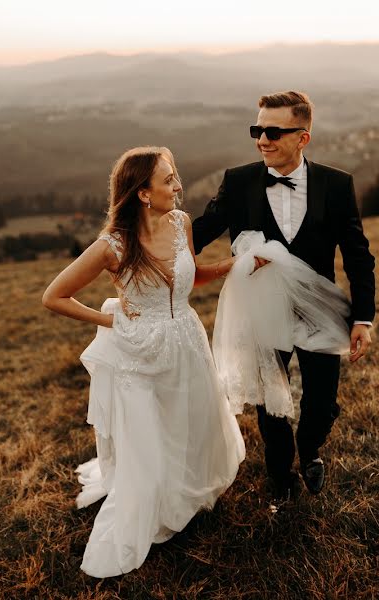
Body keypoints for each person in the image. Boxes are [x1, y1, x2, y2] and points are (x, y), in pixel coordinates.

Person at [42, 146, 247, 578]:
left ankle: (188, 487)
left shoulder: (181, 222)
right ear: (142, 193)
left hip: (188, 338)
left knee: (188, 420)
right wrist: (109, 319)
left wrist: (234, 264)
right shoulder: (112, 245)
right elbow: (54, 296)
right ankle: (155, 500)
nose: (178, 185)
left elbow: (190, 273)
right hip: (141, 349)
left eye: (175, 176)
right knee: (151, 435)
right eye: (168, 179)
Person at [192, 91, 376, 502]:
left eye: (273, 131)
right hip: (261, 310)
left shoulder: (337, 184)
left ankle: (311, 446)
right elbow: (201, 232)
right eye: (257, 130)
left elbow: (358, 256)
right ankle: (281, 473)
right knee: (269, 401)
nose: (262, 140)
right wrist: (152, 241)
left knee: (321, 402)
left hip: (320, 310)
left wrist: (363, 317)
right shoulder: (238, 182)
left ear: (303, 137)